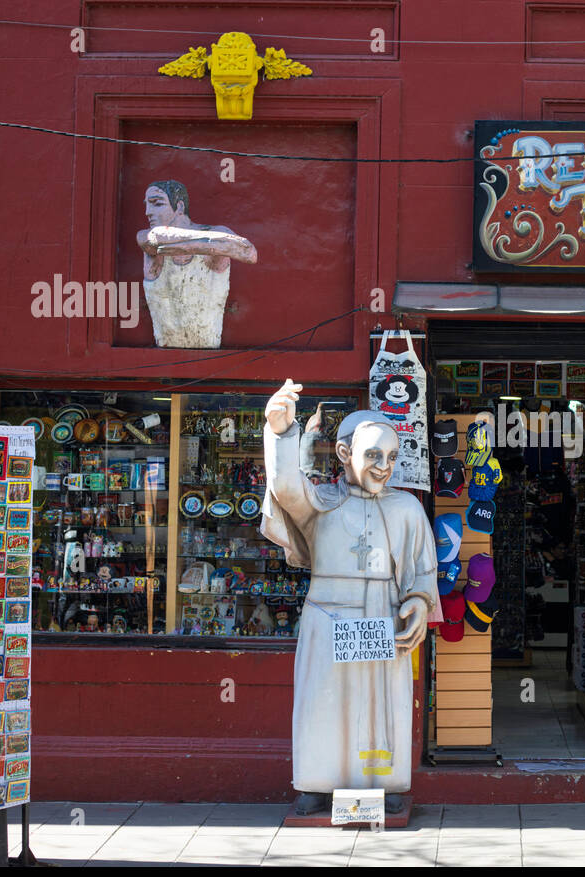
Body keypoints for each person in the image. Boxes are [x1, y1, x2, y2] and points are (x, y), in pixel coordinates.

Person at [261, 380, 440, 815]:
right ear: (344, 454)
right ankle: (316, 782)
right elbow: (286, 487)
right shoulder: (320, 503)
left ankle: (387, 781)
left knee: (382, 704)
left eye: (392, 458)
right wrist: (283, 433)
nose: (384, 467)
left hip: (383, 615)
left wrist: (416, 604)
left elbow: (421, 573)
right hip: (328, 616)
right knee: (324, 701)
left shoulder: (407, 510)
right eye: (373, 455)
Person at [138, 180, 258, 349]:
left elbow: (249, 253)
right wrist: (215, 245)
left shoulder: (217, 232)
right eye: (147, 206)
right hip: (165, 354)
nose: (147, 212)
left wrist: (180, 245)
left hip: (210, 351)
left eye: (156, 204)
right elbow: (154, 239)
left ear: (179, 207)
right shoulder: (146, 237)